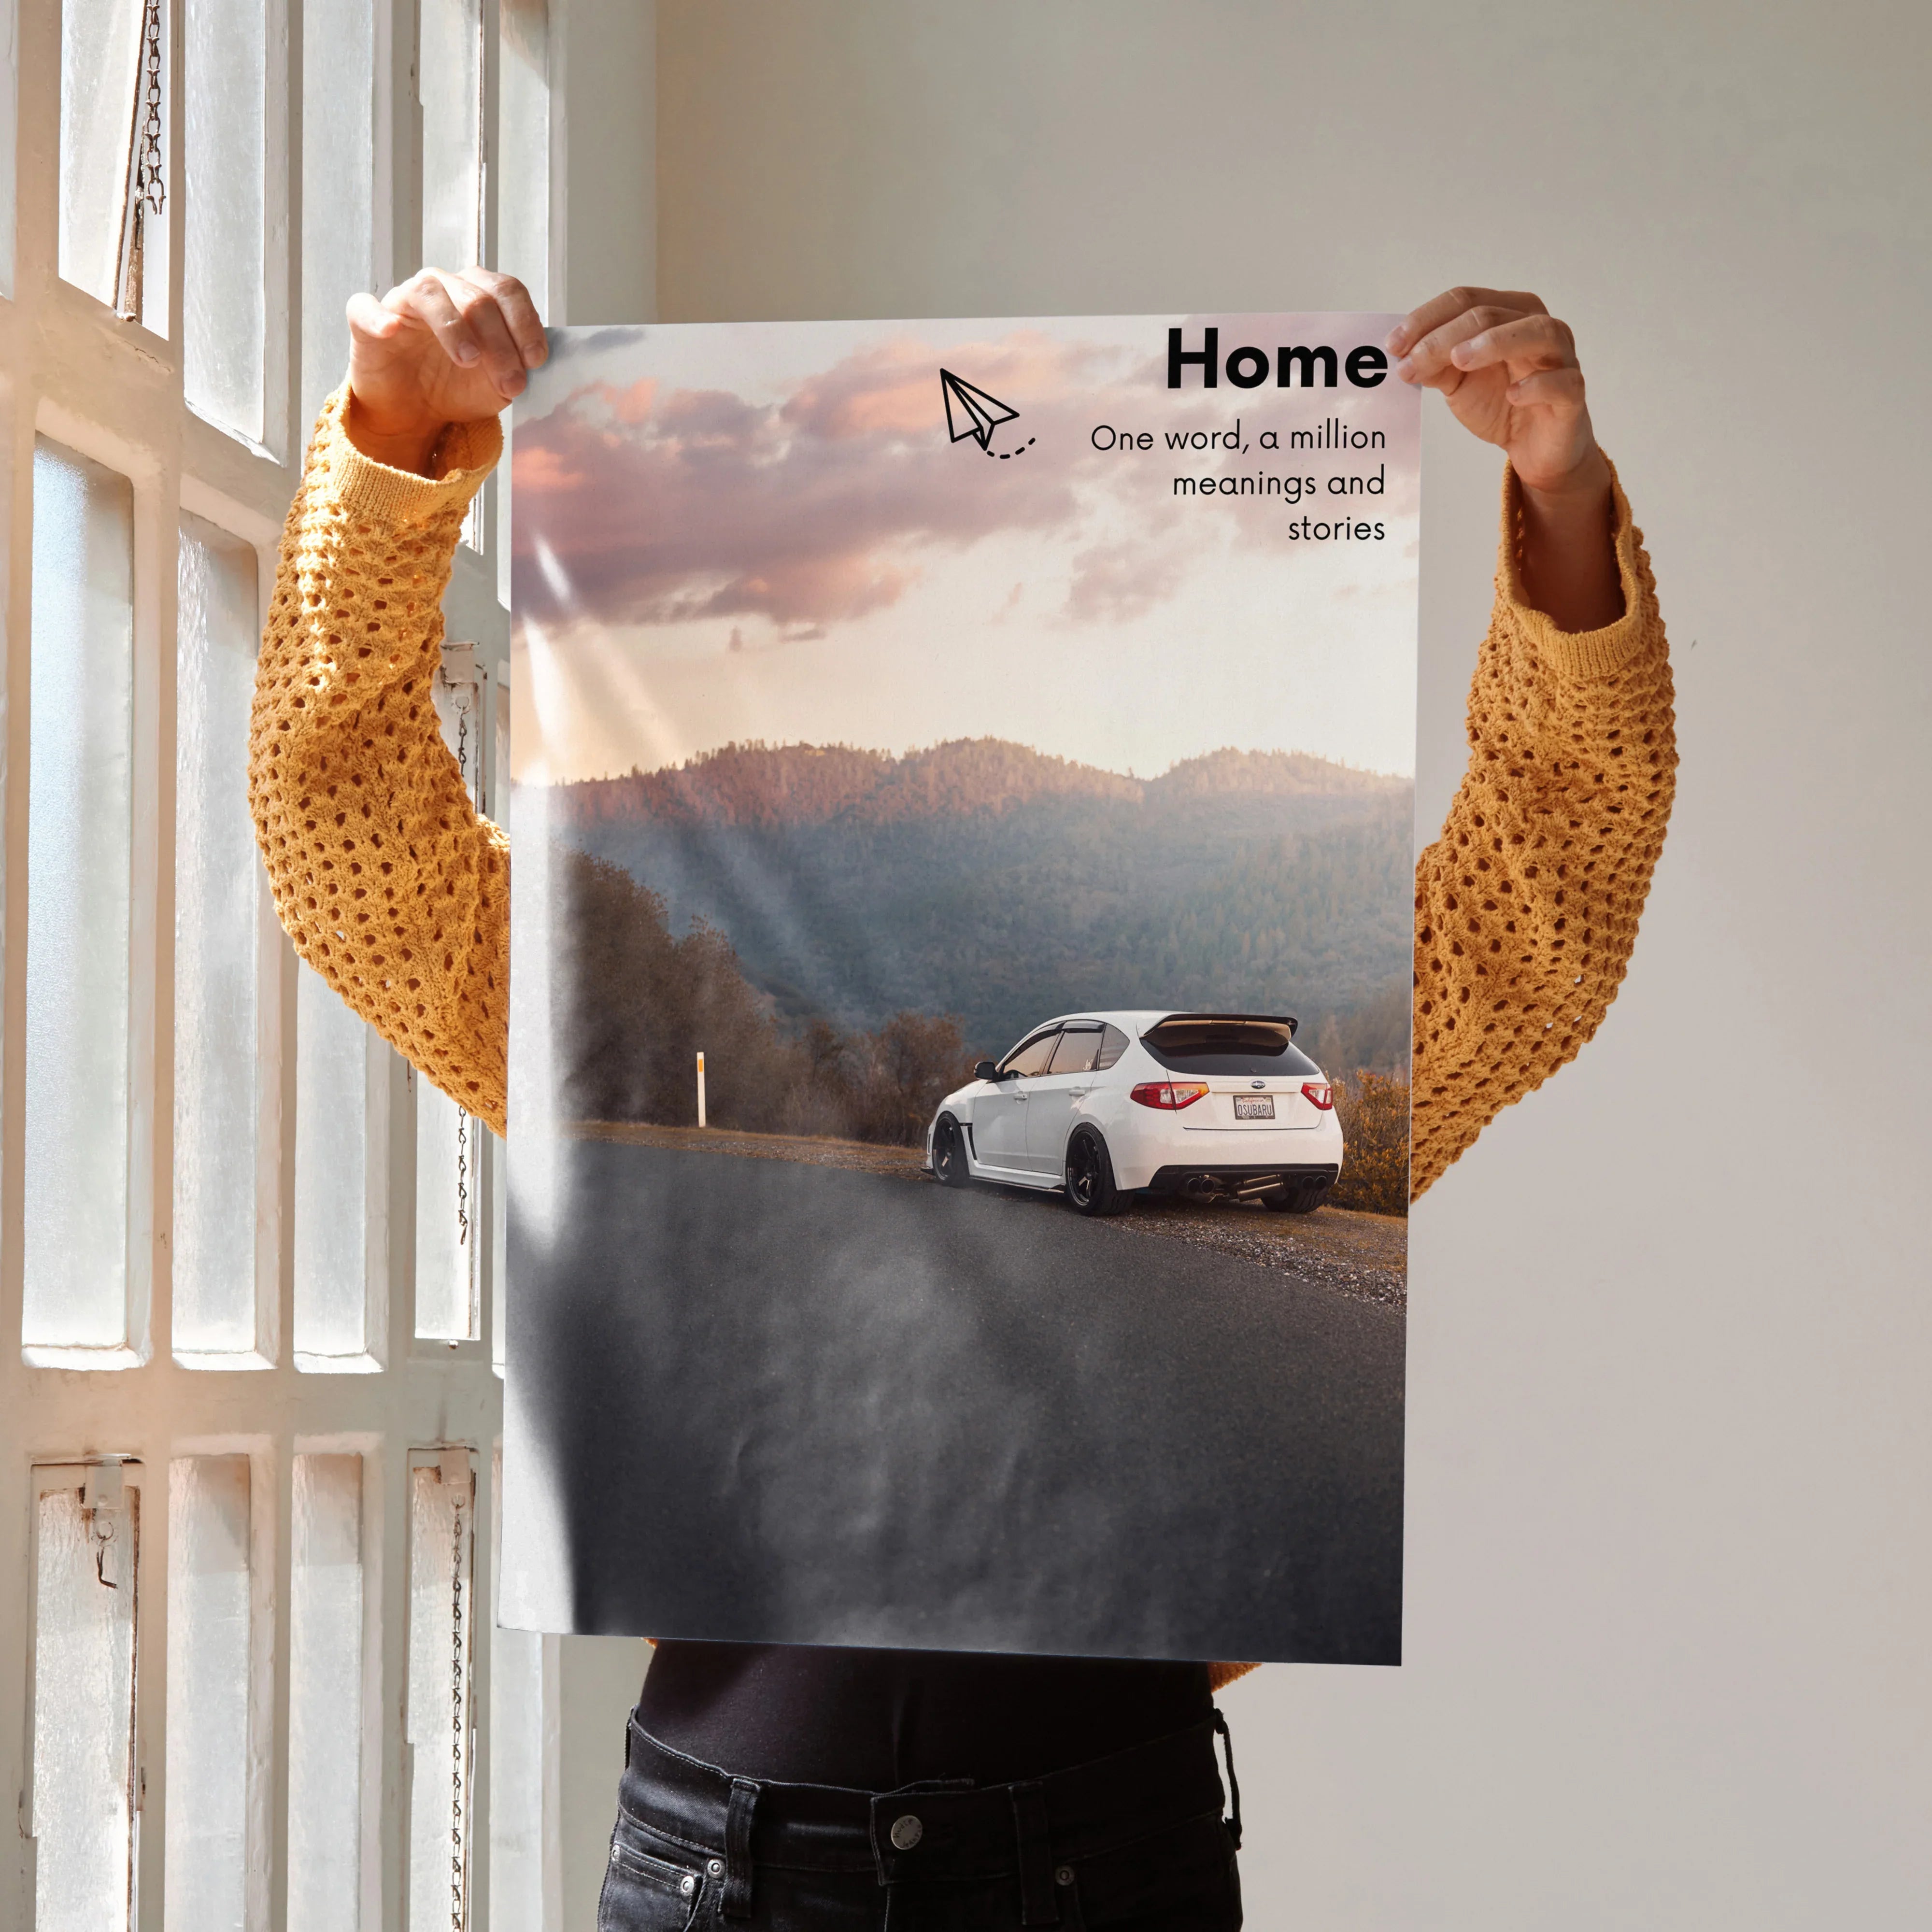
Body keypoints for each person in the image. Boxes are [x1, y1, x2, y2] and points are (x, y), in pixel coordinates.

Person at [249, 270, 1675, 1929]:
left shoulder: (1233, 1087)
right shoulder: (608, 1045)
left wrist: (1561, 497)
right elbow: (347, 841)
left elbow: (1546, 903)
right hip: (730, 1863)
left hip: (1098, 1850)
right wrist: (392, 444)